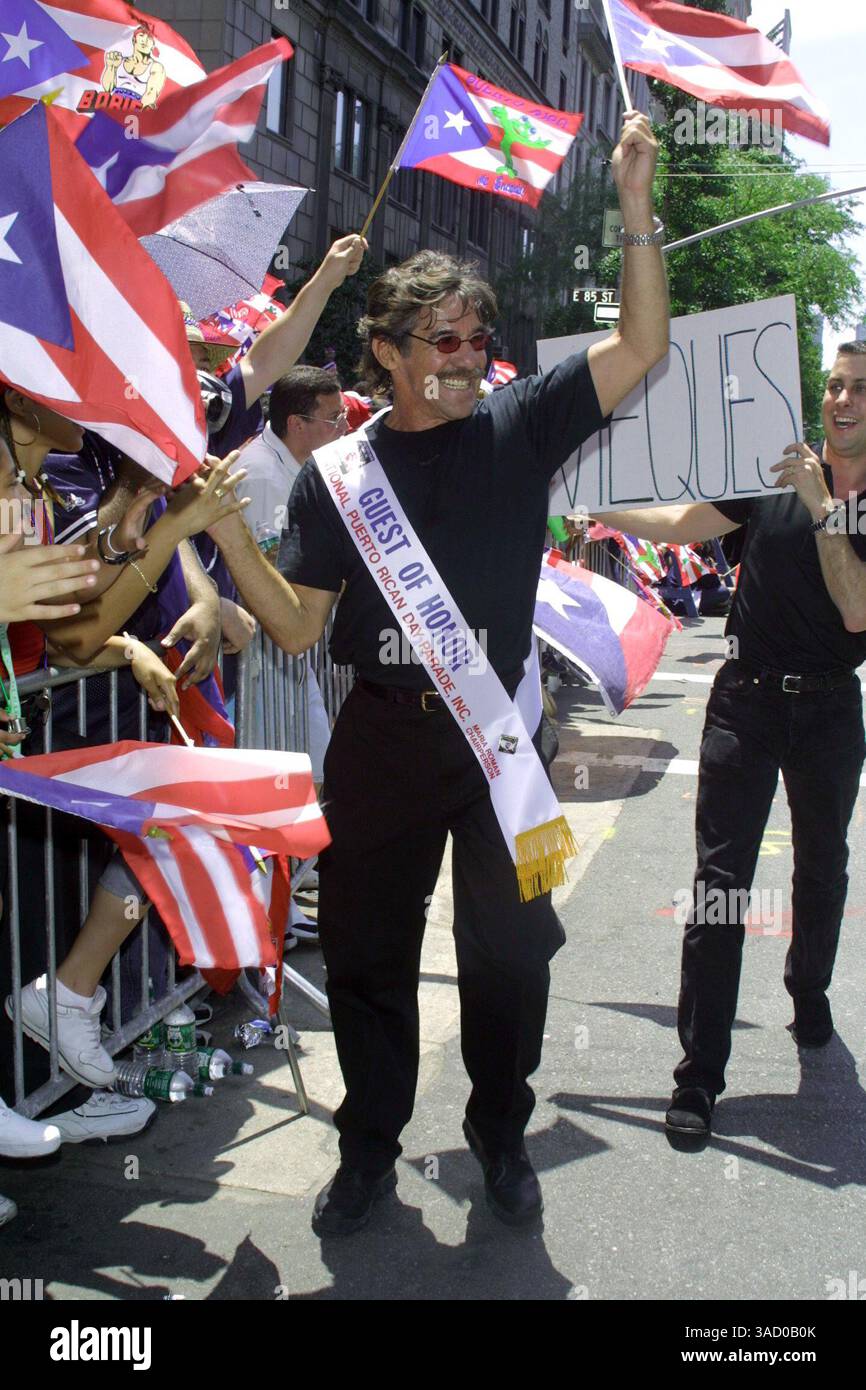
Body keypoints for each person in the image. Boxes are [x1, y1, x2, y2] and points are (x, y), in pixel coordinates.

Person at [205, 111, 669, 1232]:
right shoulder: (338, 477)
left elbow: (641, 346)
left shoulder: (518, 427)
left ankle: (499, 1134)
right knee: (367, 955)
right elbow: (294, 627)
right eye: (444, 342)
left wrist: (634, 208)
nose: (468, 358)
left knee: (508, 960)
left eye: (476, 339)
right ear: (388, 352)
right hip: (380, 743)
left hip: (499, 737)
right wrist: (222, 538)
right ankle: (368, 1145)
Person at [593, 341, 866, 1141]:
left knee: (823, 867)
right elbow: (682, 522)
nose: (841, 401)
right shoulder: (776, 469)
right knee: (719, 885)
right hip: (743, 702)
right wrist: (593, 504)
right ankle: (699, 1075)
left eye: (858, 390)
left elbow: (857, 610)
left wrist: (823, 506)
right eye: (834, 387)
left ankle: (807, 990)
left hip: (827, 711)